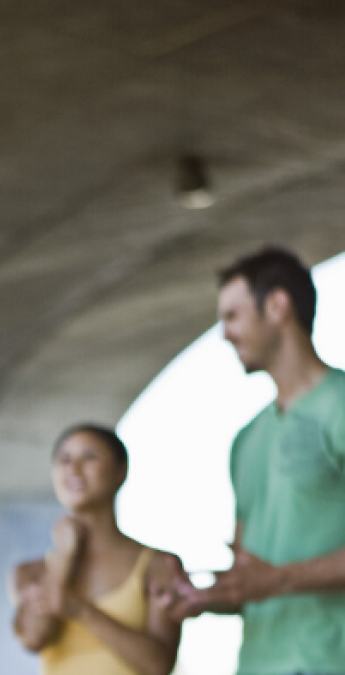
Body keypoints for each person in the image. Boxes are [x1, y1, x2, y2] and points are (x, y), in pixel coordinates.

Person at [165, 246, 345, 675]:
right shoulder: (246, 440)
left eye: (232, 316)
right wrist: (203, 595)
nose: (224, 334)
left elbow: (272, 579)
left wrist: (279, 579)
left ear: (278, 306)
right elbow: (252, 578)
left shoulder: (339, 405)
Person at [12, 425, 183, 675]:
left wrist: (81, 611)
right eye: (64, 459)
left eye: (89, 456)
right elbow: (33, 638)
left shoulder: (158, 565)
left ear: (120, 471)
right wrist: (65, 554)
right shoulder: (31, 571)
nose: (73, 468)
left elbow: (158, 666)